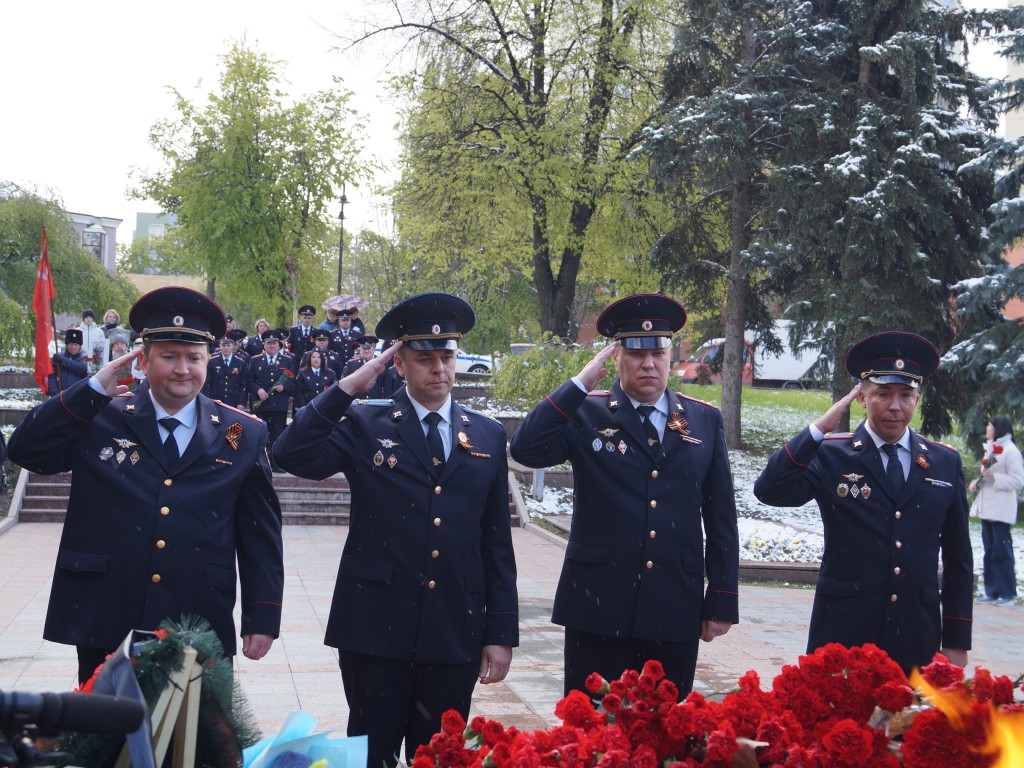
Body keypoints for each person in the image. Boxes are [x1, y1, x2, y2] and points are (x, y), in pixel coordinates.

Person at [273, 293, 518, 768]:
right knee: (370, 755)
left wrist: (500, 630)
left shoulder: (487, 434)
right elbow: (290, 454)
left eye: (446, 357)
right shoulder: (365, 422)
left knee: (441, 756)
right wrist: (345, 388)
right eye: (424, 359)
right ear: (399, 364)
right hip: (374, 628)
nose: (439, 369)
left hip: (454, 627)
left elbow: (496, 542)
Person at [8, 286, 284, 685]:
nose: (182, 370)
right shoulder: (100, 419)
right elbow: (26, 450)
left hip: (196, 616)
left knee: (189, 741)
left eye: (194, 358)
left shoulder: (242, 433)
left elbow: (260, 533)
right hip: (108, 612)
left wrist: (262, 614)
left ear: (209, 361)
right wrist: (91, 391)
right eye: (169, 357)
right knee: (106, 738)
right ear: (143, 360)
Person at [510, 294, 739, 697]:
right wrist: (579, 385)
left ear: (671, 356)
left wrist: (721, 598)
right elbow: (526, 450)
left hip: (675, 605)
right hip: (598, 604)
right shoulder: (587, 412)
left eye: (658, 353)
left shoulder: (704, 419)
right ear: (615, 358)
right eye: (635, 354)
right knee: (593, 736)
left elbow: (720, 514)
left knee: (664, 738)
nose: (648, 364)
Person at [753, 331, 973, 674]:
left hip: (916, 634)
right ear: (861, 397)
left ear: (917, 398)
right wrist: (817, 429)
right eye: (882, 394)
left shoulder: (944, 462)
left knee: (909, 727)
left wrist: (957, 640)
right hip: (844, 631)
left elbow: (960, 559)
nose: (895, 406)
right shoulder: (832, 454)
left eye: (905, 395)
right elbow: (770, 490)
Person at [969, 416, 1023, 605]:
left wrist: (994, 478)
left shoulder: (1010, 451)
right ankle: (991, 591)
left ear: (998, 428)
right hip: (988, 509)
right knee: (989, 551)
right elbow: (989, 475)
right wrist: (979, 482)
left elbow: (1018, 481)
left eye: (990, 425)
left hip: (1000, 510)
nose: (987, 427)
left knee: (1002, 552)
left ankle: (1007, 593)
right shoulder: (992, 448)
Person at [246, 328, 294, 470]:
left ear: (279, 345)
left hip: (279, 404)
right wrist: (258, 389)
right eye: (268, 343)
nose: (272, 346)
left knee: (278, 435)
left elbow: (293, 380)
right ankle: (260, 463)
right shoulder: (255, 360)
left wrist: (284, 387)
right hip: (261, 404)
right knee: (260, 434)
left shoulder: (287, 360)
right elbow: (249, 381)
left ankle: (275, 463)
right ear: (264, 345)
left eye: (274, 343)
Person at [203, 335, 249, 409]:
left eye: (228, 345)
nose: (226, 348)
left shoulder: (240, 362)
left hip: (234, 401)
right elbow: (207, 383)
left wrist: (242, 402)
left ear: (233, 346)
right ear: (220, 346)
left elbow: (244, 384)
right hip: (216, 400)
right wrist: (208, 400)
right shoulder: (212, 361)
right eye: (223, 345)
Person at [47, 328, 90, 396]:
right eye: (70, 344)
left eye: (76, 345)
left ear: (80, 345)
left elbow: (83, 370)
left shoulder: (85, 358)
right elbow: (52, 376)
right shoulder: (58, 357)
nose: (73, 347)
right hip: (61, 396)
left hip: (79, 396)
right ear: (66, 345)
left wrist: (63, 361)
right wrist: (55, 393)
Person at [79, 309, 109, 375]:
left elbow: (102, 347)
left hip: (95, 361)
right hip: (81, 359)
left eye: (90, 317)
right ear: (83, 319)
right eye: (86, 317)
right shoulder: (78, 330)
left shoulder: (99, 331)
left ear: (93, 318)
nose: (88, 319)